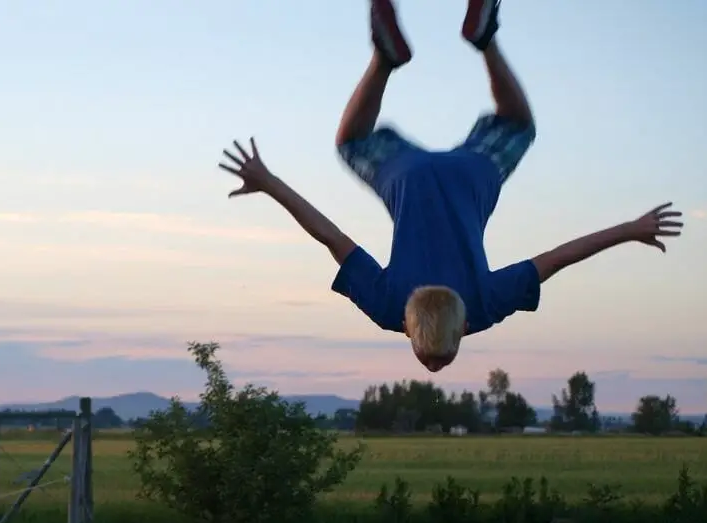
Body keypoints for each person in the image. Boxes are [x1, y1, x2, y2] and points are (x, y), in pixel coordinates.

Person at [218, 0, 683, 372]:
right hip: (407, 178)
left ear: (459, 332)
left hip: (471, 176)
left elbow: (558, 257)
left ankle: (485, 40)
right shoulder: (387, 307)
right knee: (350, 141)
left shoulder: (482, 307)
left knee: (519, 125)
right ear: (411, 328)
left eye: (434, 358)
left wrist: (630, 229)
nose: (435, 367)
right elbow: (329, 236)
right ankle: (384, 58)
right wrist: (269, 182)